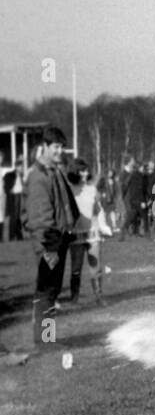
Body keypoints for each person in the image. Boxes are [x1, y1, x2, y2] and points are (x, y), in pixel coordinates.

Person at [22, 126, 79, 335]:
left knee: (51, 291)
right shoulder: (39, 176)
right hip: (49, 242)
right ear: (44, 147)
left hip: (57, 240)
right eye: (55, 146)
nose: (59, 151)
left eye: (62, 147)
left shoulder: (53, 172)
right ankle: (44, 339)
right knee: (47, 291)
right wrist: (50, 248)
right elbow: (41, 218)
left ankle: (46, 337)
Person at [69, 159, 111, 305]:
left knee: (96, 267)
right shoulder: (70, 189)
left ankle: (99, 296)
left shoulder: (92, 189)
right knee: (76, 268)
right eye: (82, 171)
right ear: (75, 172)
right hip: (76, 235)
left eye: (87, 170)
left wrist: (103, 225)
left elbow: (99, 210)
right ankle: (74, 298)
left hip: (93, 234)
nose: (86, 173)